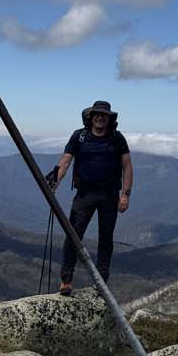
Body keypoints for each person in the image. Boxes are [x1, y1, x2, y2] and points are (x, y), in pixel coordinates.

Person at [47, 100, 132, 295]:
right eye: (97, 114)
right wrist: (55, 181)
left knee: (106, 239)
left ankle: (101, 281)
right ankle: (66, 281)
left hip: (110, 194)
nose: (100, 117)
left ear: (110, 119)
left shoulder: (117, 138)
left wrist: (125, 194)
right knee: (73, 236)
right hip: (84, 193)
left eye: (104, 115)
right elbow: (66, 159)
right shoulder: (80, 136)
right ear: (91, 117)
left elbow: (127, 166)